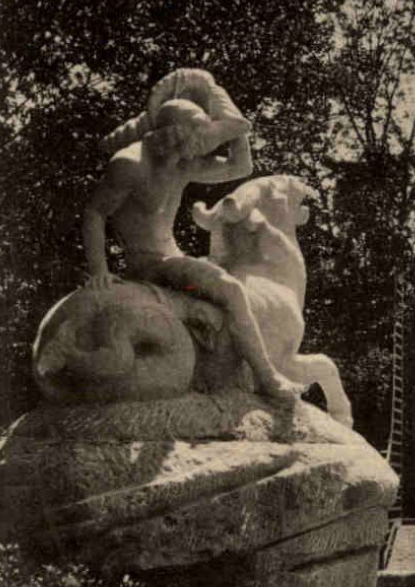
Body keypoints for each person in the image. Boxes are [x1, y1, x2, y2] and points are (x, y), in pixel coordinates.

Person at [82, 69, 302, 405]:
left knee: (226, 288)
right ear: (174, 134)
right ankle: (268, 377)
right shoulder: (129, 165)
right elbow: (95, 213)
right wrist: (99, 268)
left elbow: (240, 168)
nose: (200, 150)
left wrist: (234, 125)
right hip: (148, 263)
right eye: (196, 141)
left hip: (174, 257)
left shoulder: (182, 162)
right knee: (230, 289)